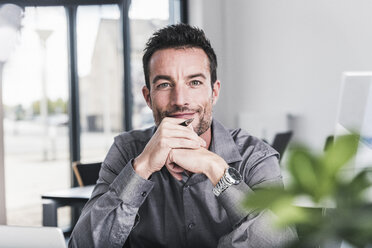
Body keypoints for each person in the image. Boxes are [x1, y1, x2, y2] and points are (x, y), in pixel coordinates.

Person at [69, 23, 297, 248]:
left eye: (195, 82)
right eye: (165, 84)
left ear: (214, 92)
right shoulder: (127, 150)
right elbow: (81, 245)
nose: (180, 99)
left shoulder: (255, 156)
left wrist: (217, 169)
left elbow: (283, 242)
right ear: (148, 97)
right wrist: (142, 167)